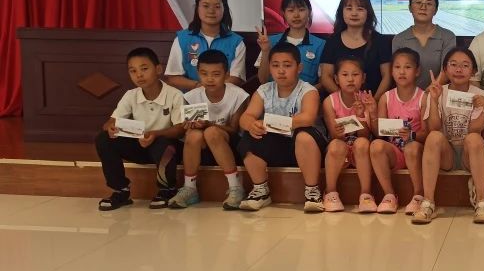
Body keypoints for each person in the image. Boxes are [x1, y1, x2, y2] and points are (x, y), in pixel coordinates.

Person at [236, 42, 326, 212]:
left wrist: (273, 123)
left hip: (304, 147)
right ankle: (261, 191)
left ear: (299, 68)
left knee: (304, 135)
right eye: (275, 65)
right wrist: (252, 124)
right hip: (276, 146)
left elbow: (307, 118)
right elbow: (245, 117)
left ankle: (312, 192)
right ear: (269, 67)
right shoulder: (263, 90)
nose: (281, 71)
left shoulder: (308, 90)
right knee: (249, 136)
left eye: (287, 65)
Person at [95, 47, 185, 211]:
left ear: (158, 69)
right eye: (133, 71)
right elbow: (110, 122)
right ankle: (121, 190)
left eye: (144, 69)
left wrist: (155, 134)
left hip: (166, 148)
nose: (139, 75)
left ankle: (167, 189)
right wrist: (111, 127)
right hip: (140, 145)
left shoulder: (175, 95)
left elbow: (180, 129)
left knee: (164, 144)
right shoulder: (131, 95)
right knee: (104, 138)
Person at [414, 48, 484, 225]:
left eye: (465, 65)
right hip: (447, 155)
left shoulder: (480, 96)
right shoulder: (437, 91)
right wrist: (433, 99)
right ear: (445, 69)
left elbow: (475, 130)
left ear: (473, 71)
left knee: (473, 138)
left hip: (469, 154)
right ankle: (428, 203)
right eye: (453, 65)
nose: (459, 69)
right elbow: (433, 127)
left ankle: (482, 203)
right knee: (434, 136)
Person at [168, 49, 250, 211]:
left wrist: (209, 124)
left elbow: (234, 130)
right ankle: (190, 188)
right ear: (198, 73)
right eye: (204, 74)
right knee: (193, 134)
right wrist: (189, 125)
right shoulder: (191, 96)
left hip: (230, 145)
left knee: (211, 132)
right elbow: (186, 127)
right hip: (203, 148)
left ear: (226, 75)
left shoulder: (238, 95)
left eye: (216, 74)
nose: (209, 79)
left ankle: (235, 187)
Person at [370, 48, 427, 215]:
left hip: (416, 152)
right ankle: (389, 195)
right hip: (395, 152)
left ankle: (418, 195)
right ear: (391, 71)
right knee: (376, 145)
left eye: (407, 67)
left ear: (417, 71)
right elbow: (379, 132)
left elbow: (427, 132)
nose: (402, 72)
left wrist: (411, 135)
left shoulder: (423, 97)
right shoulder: (386, 98)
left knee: (411, 147)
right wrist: (372, 114)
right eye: (397, 67)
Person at [165, 0, 245, 91]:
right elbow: (172, 78)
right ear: (197, 8)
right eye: (206, 6)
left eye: (217, 6)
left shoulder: (236, 42)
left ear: (224, 9)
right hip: (190, 99)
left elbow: (236, 79)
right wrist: (199, 88)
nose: (211, 11)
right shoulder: (182, 39)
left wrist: (212, 91)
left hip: (223, 98)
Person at [321, 58, 376, 213]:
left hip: (361, 151)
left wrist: (361, 116)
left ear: (363, 78)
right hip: (340, 149)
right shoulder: (330, 101)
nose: (350, 79)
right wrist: (338, 132)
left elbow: (365, 134)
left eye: (355, 75)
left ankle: (366, 194)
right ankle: (330, 192)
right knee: (336, 145)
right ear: (336, 79)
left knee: (362, 143)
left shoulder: (367, 100)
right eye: (345, 75)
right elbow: (334, 135)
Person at [319, 0, 392, 98]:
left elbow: (387, 77)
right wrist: (345, 101)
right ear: (341, 12)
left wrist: (374, 102)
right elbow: (326, 77)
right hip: (339, 104)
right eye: (349, 8)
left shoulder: (380, 41)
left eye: (360, 9)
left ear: (368, 13)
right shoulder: (332, 41)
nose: (354, 13)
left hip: (373, 102)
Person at [391, 0, 457, 89]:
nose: (423, 7)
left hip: (437, 94)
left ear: (435, 10)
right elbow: (398, 73)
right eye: (418, 2)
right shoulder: (399, 39)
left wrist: (427, 94)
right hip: (408, 95)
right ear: (410, 8)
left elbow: (446, 70)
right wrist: (416, 96)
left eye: (429, 4)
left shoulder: (447, 37)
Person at [255, 0, 325, 87]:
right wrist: (266, 50)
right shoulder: (269, 41)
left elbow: (323, 82)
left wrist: (306, 93)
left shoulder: (321, 45)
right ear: (283, 13)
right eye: (291, 10)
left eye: (301, 10)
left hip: (307, 95)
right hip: (274, 95)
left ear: (309, 11)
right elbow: (263, 80)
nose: (296, 15)